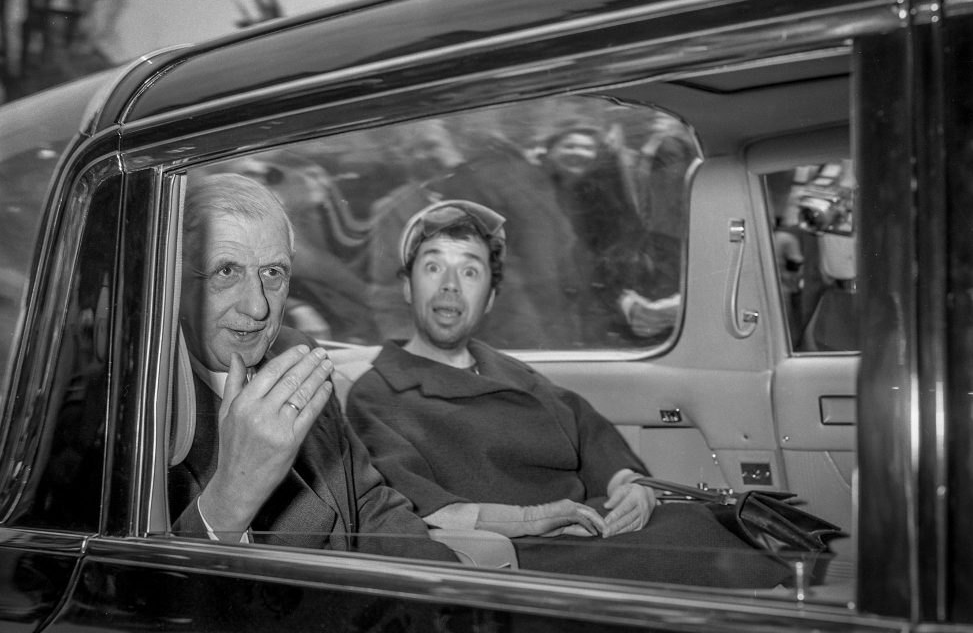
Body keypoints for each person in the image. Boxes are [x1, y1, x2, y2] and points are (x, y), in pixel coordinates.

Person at [344, 199, 791, 587]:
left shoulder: (512, 372)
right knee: (701, 552)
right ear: (407, 286)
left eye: (470, 271)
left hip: (588, 525)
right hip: (520, 552)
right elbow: (411, 502)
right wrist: (533, 519)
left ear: (490, 298)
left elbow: (588, 432)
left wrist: (632, 486)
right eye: (433, 266)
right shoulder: (378, 392)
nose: (450, 284)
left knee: (705, 527)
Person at [167, 172, 456, 562]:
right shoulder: (144, 403)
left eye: (273, 273)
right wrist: (231, 496)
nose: (258, 307)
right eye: (226, 272)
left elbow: (366, 501)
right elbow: (147, 584)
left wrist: (446, 585)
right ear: (175, 282)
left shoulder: (296, 353)